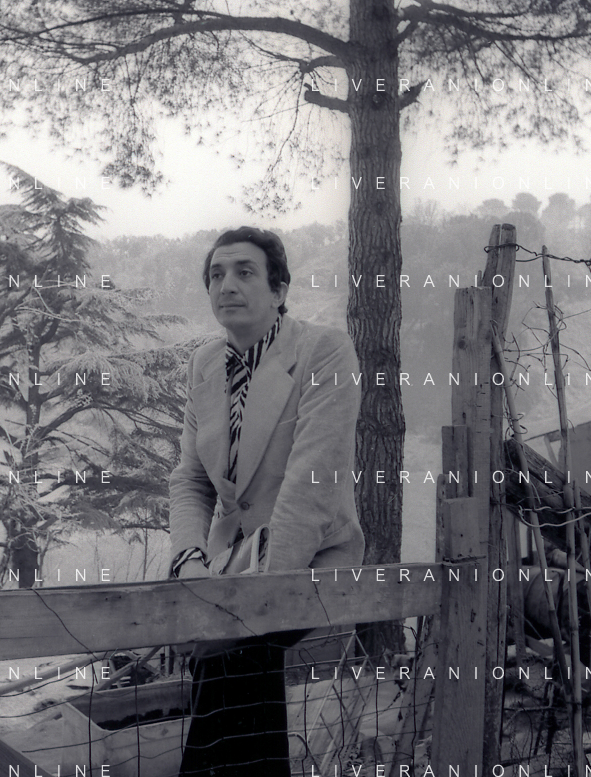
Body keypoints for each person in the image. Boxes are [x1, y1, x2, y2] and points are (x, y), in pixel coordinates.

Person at [167, 227, 365, 777]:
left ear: (279, 290)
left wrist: (246, 601)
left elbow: (311, 484)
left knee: (235, 652)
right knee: (230, 670)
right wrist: (190, 561)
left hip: (308, 559)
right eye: (216, 275)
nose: (226, 285)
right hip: (225, 564)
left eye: (244, 272)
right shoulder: (205, 364)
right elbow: (191, 479)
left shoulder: (323, 351)